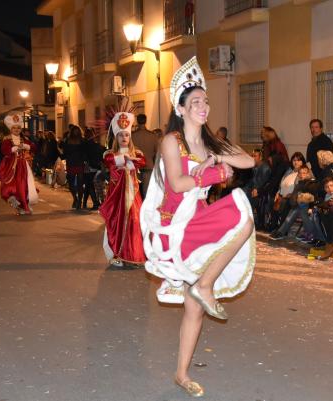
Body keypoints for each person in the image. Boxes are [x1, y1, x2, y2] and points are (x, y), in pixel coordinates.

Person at [140, 57, 255, 398]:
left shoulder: (210, 141)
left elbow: (248, 161)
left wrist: (219, 158)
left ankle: (181, 373)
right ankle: (205, 286)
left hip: (199, 218)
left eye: (205, 101)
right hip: (176, 224)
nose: (203, 107)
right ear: (181, 107)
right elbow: (176, 184)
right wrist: (211, 172)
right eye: (196, 102)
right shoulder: (171, 142)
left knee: (194, 308)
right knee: (243, 215)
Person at [99, 112, 146, 267]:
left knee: (135, 222)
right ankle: (116, 254)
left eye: (126, 135)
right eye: (120, 135)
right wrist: (125, 160)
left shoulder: (137, 153)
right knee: (116, 224)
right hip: (117, 197)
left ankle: (133, 253)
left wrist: (129, 160)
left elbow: (142, 161)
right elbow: (110, 161)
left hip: (133, 195)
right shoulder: (110, 154)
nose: (124, 138)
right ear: (116, 137)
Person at [0, 114, 38, 215]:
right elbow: (4, 150)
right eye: (14, 128)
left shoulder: (24, 139)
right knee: (11, 186)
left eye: (18, 128)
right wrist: (14, 149)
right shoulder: (7, 140)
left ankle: (24, 205)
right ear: (10, 129)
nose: (16, 129)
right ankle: (19, 204)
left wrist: (26, 146)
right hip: (11, 166)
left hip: (23, 166)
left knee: (24, 186)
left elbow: (34, 147)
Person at [269, 165, 320, 240]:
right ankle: (281, 232)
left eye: (304, 173)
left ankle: (281, 232)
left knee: (298, 210)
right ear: (298, 174)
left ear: (308, 173)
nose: (302, 175)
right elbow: (294, 197)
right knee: (294, 210)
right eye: (300, 173)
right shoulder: (299, 183)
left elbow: (313, 198)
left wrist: (310, 207)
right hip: (299, 205)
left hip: (309, 207)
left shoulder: (312, 184)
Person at [242, 148, 272, 230]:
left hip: (262, 192)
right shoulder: (254, 167)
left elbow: (263, 183)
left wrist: (256, 189)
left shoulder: (265, 168)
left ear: (261, 157)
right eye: (252, 156)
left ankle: (249, 222)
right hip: (253, 189)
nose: (253, 158)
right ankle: (246, 220)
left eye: (255, 156)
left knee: (249, 197)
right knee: (242, 192)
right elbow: (251, 181)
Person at [133, 114, 159, 199]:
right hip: (149, 166)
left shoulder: (132, 136)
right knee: (147, 193)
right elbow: (157, 153)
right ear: (145, 121)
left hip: (135, 167)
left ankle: (137, 211)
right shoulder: (152, 136)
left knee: (136, 192)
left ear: (137, 121)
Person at [62, 125, 86, 209]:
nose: (76, 132)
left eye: (77, 131)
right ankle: (75, 198)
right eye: (74, 131)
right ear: (72, 132)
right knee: (71, 184)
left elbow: (85, 152)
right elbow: (64, 152)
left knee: (80, 184)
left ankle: (79, 201)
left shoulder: (82, 140)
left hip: (79, 163)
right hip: (71, 163)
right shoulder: (67, 140)